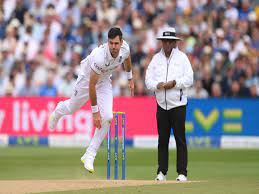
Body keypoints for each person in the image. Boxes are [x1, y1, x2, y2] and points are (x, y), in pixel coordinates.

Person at [48, 27, 134, 173]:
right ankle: (58, 111)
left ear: (121, 42)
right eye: (111, 43)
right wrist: (95, 113)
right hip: (87, 80)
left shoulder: (125, 48)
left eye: (116, 43)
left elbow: (127, 58)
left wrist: (130, 78)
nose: (114, 47)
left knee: (107, 117)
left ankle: (90, 154)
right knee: (72, 108)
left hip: (105, 80)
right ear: (108, 42)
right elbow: (91, 85)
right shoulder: (100, 56)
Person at [145, 27, 193, 181]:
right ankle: (162, 172)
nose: (166, 44)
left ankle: (182, 172)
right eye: (164, 41)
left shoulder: (182, 58)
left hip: (178, 104)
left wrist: (174, 83)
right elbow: (148, 80)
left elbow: (189, 79)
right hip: (161, 105)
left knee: (180, 139)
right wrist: (157, 85)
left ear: (174, 42)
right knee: (162, 140)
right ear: (161, 42)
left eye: (169, 41)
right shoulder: (155, 59)